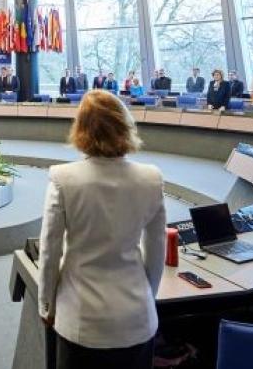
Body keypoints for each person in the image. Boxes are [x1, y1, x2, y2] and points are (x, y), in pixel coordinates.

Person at [39, 90, 165, 369]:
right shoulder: (151, 179)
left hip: (81, 322)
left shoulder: (63, 179)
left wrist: (46, 306)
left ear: (80, 129)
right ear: (125, 125)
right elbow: (156, 256)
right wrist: (145, 298)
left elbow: (49, 252)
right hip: (137, 319)